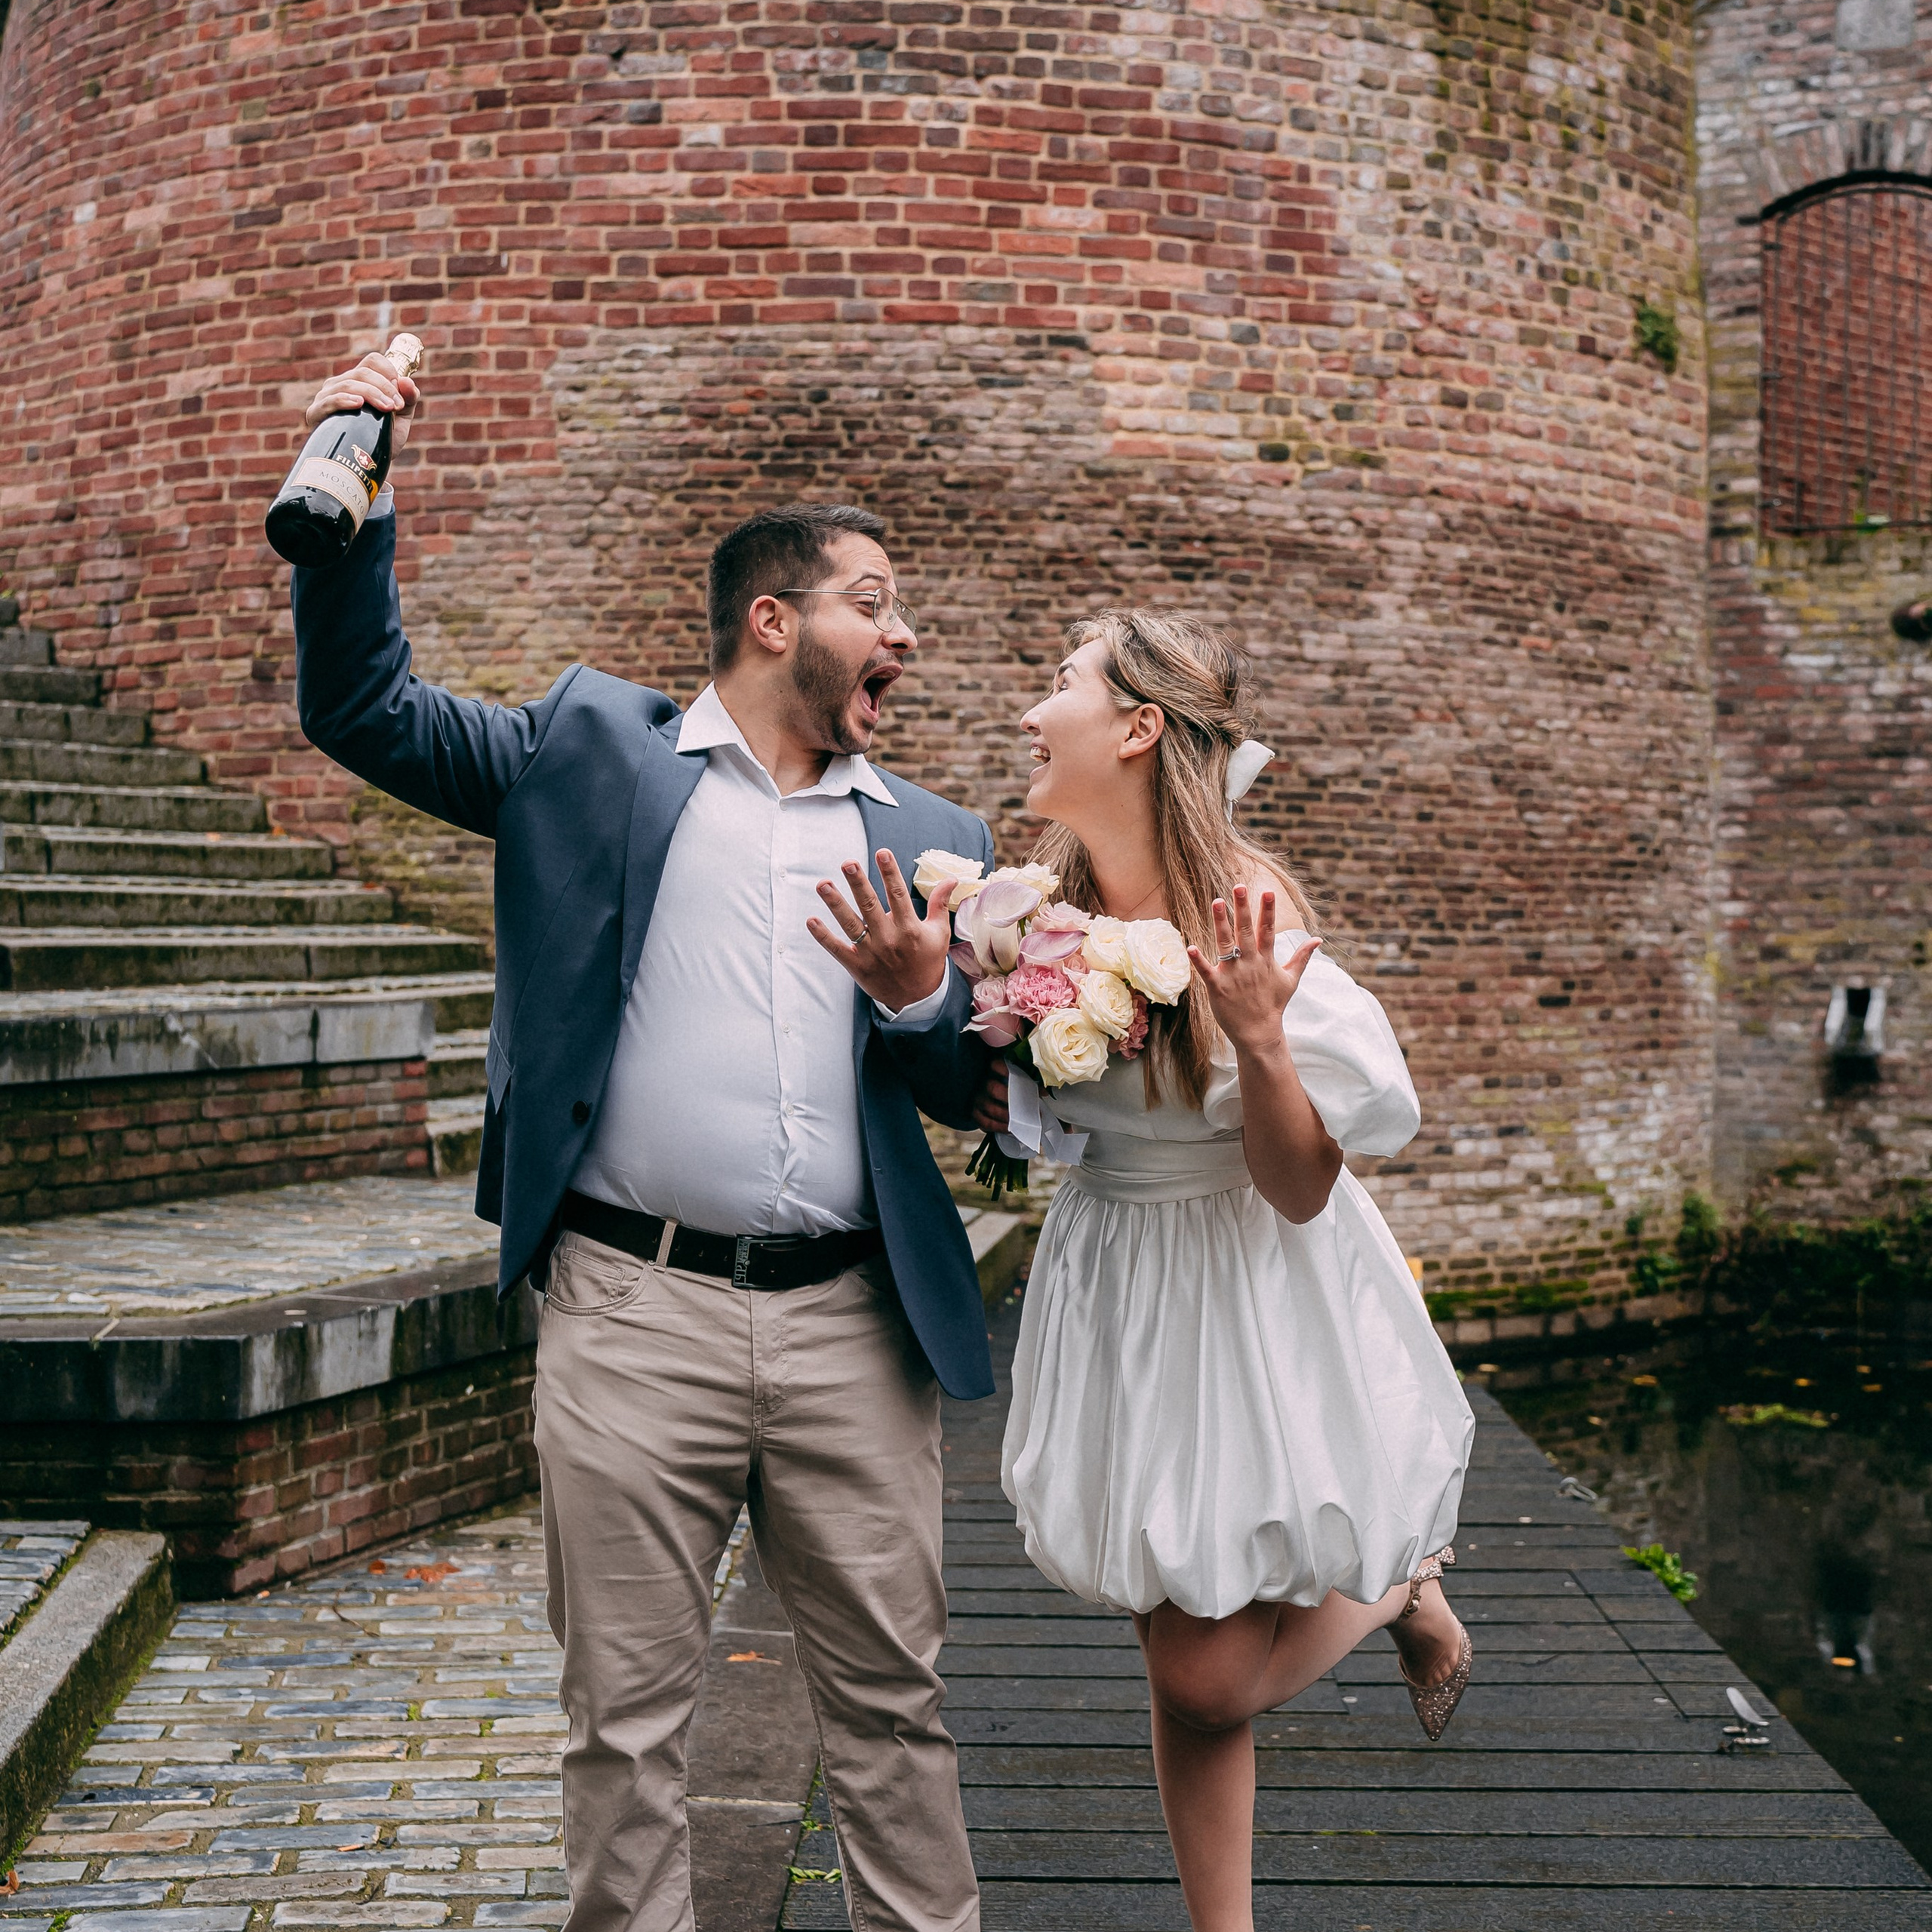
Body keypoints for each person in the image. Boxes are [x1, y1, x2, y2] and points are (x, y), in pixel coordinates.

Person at [288, 350, 991, 1932]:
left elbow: (964, 1090)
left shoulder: (939, 841)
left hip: (851, 1328)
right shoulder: (587, 756)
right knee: (622, 1729)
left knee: (892, 1714)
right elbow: (361, 708)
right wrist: (356, 499)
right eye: (872, 602)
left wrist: (916, 996)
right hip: (630, 1313)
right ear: (771, 619)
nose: (903, 634)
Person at [978, 609, 1475, 1932]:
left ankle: (1402, 1584)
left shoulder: (1245, 916)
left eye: (1059, 681)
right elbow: (1054, 1115)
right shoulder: (1035, 914)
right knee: (1175, 1617)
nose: (1034, 711)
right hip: (1120, 1282)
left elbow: (1305, 1184)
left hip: (1251, 1286)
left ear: (1137, 729)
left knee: (1208, 1676)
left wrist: (1259, 1041)